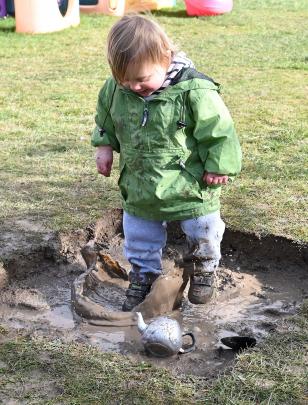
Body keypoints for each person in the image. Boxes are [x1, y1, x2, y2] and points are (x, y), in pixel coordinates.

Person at [91, 15, 242, 312]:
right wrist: (105, 145)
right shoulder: (114, 90)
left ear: (165, 59)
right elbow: (105, 119)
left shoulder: (194, 91)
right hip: (141, 181)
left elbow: (220, 129)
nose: (134, 87)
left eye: (142, 79)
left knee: (203, 227)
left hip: (190, 182)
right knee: (139, 233)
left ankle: (203, 269)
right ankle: (143, 276)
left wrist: (220, 165)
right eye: (126, 80)